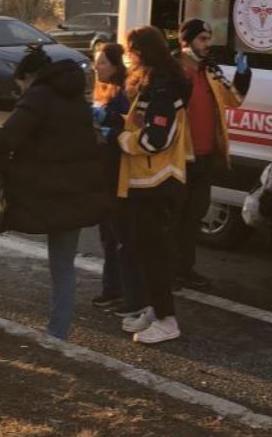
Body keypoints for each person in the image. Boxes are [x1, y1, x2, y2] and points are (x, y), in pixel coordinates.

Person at [0, 45, 108, 339]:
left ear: (29, 76)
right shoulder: (78, 99)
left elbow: (5, 138)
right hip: (75, 194)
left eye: (21, 85)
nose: (21, 90)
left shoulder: (39, 95)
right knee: (63, 266)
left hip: (36, 193)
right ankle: (58, 335)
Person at [117, 26, 192, 345]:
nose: (128, 56)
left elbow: (155, 139)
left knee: (155, 255)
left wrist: (122, 139)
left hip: (158, 183)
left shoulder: (163, 88)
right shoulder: (155, 82)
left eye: (130, 50)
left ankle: (166, 318)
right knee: (145, 253)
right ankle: (155, 308)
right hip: (147, 182)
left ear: (142, 51)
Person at [173, 18, 251, 290]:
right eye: (202, 39)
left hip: (204, 154)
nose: (208, 44)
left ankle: (185, 268)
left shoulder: (210, 70)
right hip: (179, 154)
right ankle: (169, 270)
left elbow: (235, 99)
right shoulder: (175, 69)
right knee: (175, 216)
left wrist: (244, 73)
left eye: (209, 39)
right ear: (187, 40)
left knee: (195, 214)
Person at [90, 42, 140, 315]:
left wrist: (106, 123)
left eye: (103, 63)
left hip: (117, 173)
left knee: (117, 235)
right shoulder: (103, 88)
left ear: (116, 66)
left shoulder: (123, 93)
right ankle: (112, 290)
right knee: (108, 235)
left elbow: (127, 127)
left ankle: (119, 292)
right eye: (96, 61)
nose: (97, 66)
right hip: (103, 172)